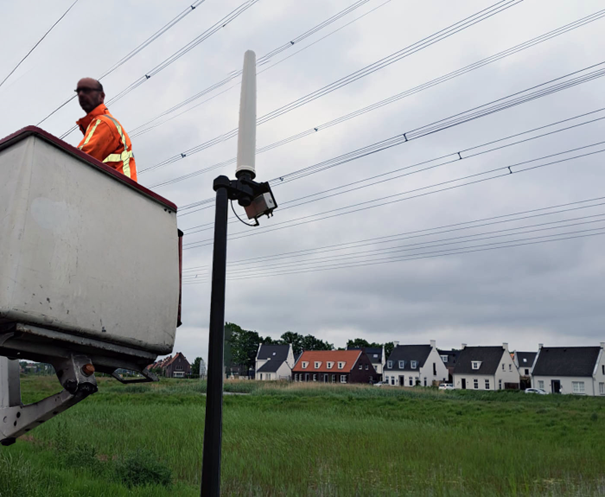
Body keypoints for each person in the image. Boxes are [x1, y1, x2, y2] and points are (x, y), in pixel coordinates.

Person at [75, 78, 137, 181]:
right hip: (115, 188)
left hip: (119, 189)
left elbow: (77, 160)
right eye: (78, 91)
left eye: (87, 90)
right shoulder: (101, 122)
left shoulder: (103, 123)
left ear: (102, 96)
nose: (81, 95)